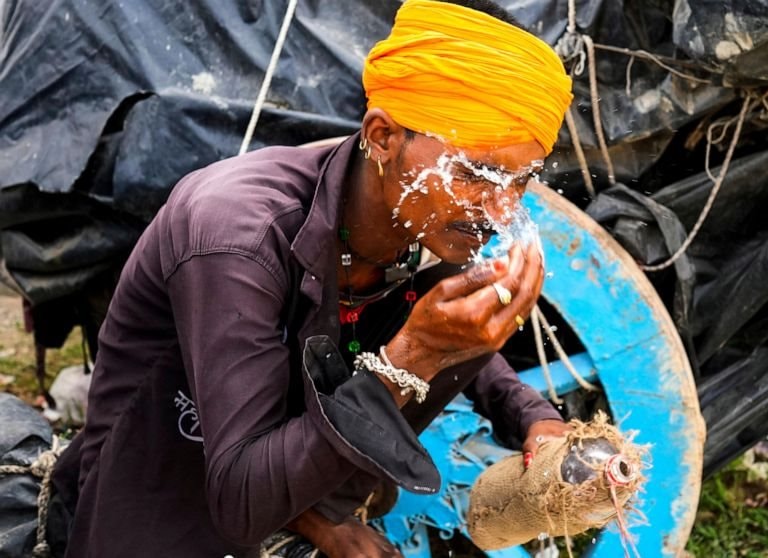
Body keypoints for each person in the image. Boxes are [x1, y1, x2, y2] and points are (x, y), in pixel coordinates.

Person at [50, 0, 575, 556]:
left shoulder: (415, 216)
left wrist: (533, 416)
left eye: (521, 181)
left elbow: (448, 328)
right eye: (475, 172)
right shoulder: (237, 236)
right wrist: (415, 352)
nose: (499, 209)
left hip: (294, 482)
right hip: (167, 503)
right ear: (382, 136)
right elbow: (240, 503)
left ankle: (312, 513)